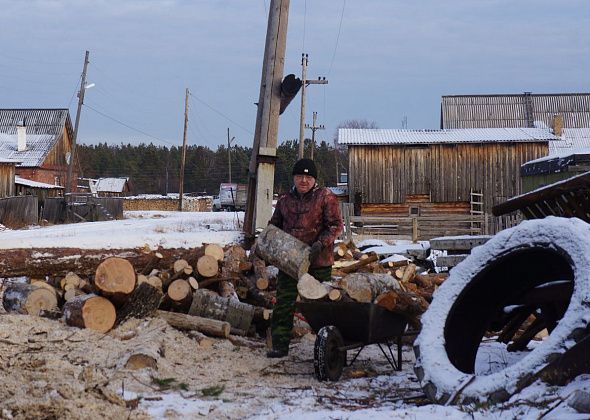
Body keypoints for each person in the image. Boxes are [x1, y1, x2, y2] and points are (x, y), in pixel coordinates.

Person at [266, 158, 343, 358]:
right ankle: (280, 345)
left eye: (308, 177)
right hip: (290, 262)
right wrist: (268, 247)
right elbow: (274, 226)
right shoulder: (284, 200)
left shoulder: (325, 197)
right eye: (300, 176)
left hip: (318, 261)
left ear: (314, 179)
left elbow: (335, 225)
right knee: (284, 303)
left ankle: (328, 347)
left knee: (321, 306)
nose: (304, 181)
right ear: (294, 178)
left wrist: (321, 243)